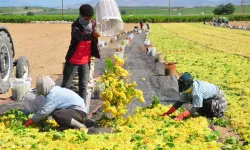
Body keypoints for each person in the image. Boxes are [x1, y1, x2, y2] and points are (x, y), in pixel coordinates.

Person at [23, 76, 92, 132]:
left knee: (58, 114)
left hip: (80, 113)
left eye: (41, 92)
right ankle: (67, 127)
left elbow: (44, 112)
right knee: (56, 112)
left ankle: (81, 126)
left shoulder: (53, 95)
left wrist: (31, 120)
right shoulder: (55, 90)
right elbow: (48, 110)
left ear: (44, 89)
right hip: (75, 111)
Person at [61, 4, 101, 102]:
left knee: (83, 86)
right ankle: (62, 108)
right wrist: (93, 35)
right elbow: (81, 37)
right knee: (66, 85)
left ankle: (81, 109)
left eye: (89, 19)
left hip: (85, 60)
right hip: (73, 60)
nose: (88, 21)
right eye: (86, 19)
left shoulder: (94, 24)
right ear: (81, 15)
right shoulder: (75, 26)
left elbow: (99, 30)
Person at [161, 72, 227, 121]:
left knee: (204, 103)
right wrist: (167, 113)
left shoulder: (197, 91)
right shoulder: (188, 89)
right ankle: (204, 113)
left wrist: (182, 115)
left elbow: (196, 107)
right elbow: (179, 103)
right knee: (193, 100)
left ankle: (212, 115)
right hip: (210, 99)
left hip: (219, 104)